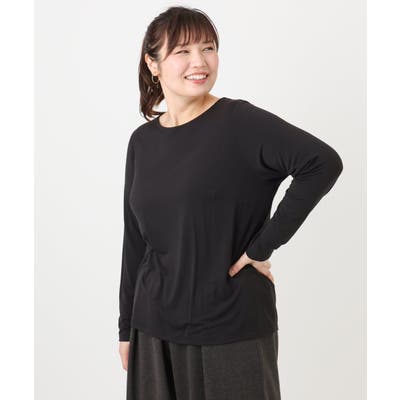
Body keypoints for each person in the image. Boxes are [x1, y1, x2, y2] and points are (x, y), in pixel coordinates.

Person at [118, 6, 343, 400]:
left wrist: (262, 247)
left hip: (232, 323)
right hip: (153, 326)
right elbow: (135, 240)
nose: (199, 62)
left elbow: (322, 163)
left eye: (208, 48)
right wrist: (126, 329)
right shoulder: (142, 141)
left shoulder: (240, 122)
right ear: (153, 64)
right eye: (182, 51)